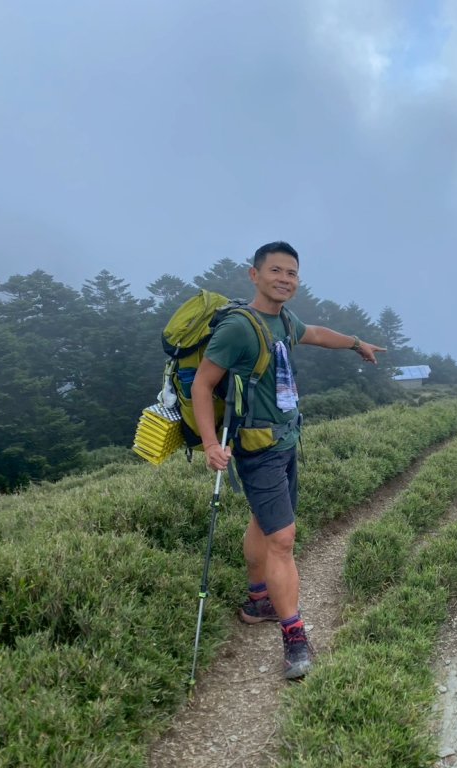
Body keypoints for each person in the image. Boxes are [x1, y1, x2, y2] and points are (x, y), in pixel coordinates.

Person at [191, 241, 385, 679]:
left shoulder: (283, 320)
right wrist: (209, 444)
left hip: (283, 441)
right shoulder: (239, 328)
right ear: (254, 274)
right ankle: (295, 637)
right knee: (283, 538)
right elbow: (203, 385)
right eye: (276, 270)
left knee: (264, 521)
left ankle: (259, 600)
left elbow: (314, 333)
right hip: (258, 449)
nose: (285, 279)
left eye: (292, 273)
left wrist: (357, 343)